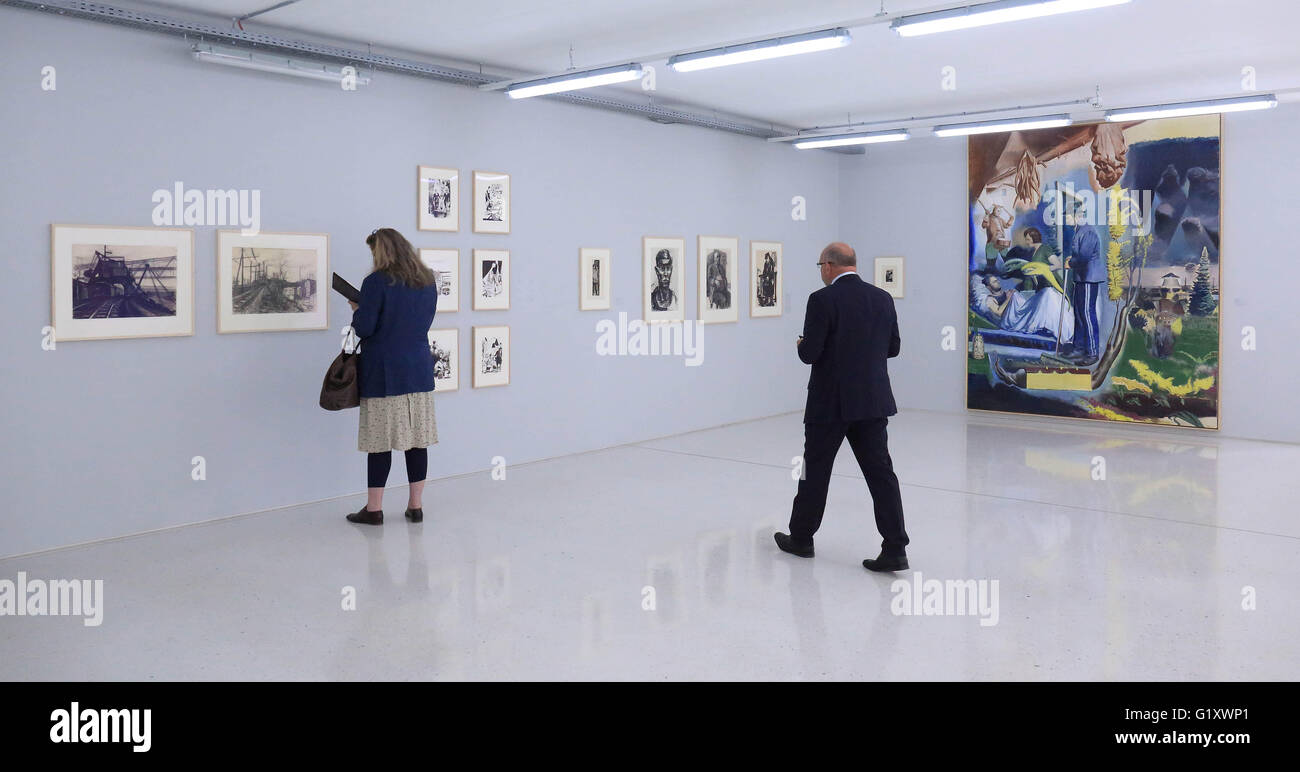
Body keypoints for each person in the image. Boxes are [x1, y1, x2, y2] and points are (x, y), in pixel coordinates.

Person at [775, 243, 910, 572]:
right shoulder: (882, 298)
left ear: (829, 266)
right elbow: (893, 348)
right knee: (881, 475)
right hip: (872, 402)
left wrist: (801, 345)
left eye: (820, 264)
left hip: (829, 404)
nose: (821, 270)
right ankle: (895, 548)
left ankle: (802, 538)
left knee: (814, 472)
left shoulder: (821, 300)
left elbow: (811, 354)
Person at [345, 228, 439, 525]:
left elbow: (365, 328)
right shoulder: (427, 281)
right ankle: (416, 506)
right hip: (418, 370)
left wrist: (357, 309)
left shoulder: (375, 282)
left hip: (384, 372)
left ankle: (374, 510)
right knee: (417, 442)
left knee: (380, 443)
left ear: (381, 252)